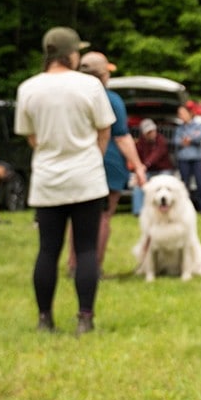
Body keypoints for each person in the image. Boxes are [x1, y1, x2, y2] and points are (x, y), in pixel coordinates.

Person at [14, 27, 116, 336]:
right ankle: (85, 318)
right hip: (86, 177)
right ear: (69, 54)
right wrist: (91, 158)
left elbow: (31, 136)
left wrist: (51, 152)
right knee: (85, 249)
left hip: (48, 179)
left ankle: (45, 319)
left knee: (48, 250)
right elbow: (104, 130)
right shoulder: (89, 85)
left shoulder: (28, 88)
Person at [69, 51, 146, 275]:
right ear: (103, 75)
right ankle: (93, 268)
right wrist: (139, 166)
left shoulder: (72, 97)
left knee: (77, 217)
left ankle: (74, 266)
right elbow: (121, 137)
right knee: (102, 217)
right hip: (108, 164)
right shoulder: (111, 99)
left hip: (77, 163)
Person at [132, 118, 174, 215]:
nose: (152, 133)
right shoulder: (141, 143)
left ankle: (166, 208)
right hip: (149, 171)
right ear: (144, 133)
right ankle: (138, 212)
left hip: (163, 170)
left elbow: (156, 155)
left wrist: (144, 166)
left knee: (164, 183)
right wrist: (138, 170)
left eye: (153, 131)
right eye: (149, 132)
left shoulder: (161, 140)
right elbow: (136, 156)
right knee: (139, 183)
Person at [174, 104, 201, 212]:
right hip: (183, 159)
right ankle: (185, 208)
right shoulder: (179, 128)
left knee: (200, 183)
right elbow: (176, 141)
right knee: (185, 185)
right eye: (179, 114)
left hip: (196, 159)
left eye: (183, 113)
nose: (181, 116)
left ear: (190, 113)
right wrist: (191, 138)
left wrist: (190, 139)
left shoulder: (198, 126)